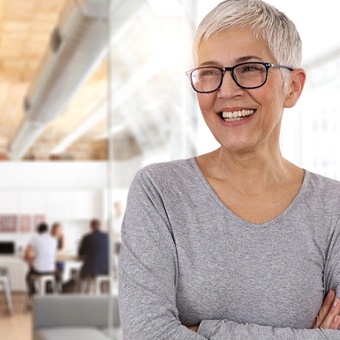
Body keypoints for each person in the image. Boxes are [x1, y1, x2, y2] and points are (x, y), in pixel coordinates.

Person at [118, 1, 340, 339]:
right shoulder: (159, 191)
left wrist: (208, 330)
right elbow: (147, 334)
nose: (226, 91)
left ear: (293, 87)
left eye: (249, 68)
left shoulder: (333, 206)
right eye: (209, 71)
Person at [24, 222, 57, 296]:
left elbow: (27, 253)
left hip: (38, 270)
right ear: (47, 230)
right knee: (50, 277)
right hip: (51, 270)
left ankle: (33, 295)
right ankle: (49, 294)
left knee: (28, 277)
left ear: (38, 231)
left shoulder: (34, 238)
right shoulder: (54, 240)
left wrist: (30, 264)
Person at [78, 219, 109, 284]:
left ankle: (82, 293)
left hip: (91, 269)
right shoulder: (107, 237)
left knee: (80, 276)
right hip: (106, 269)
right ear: (100, 227)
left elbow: (80, 253)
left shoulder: (87, 237)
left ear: (91, 227)